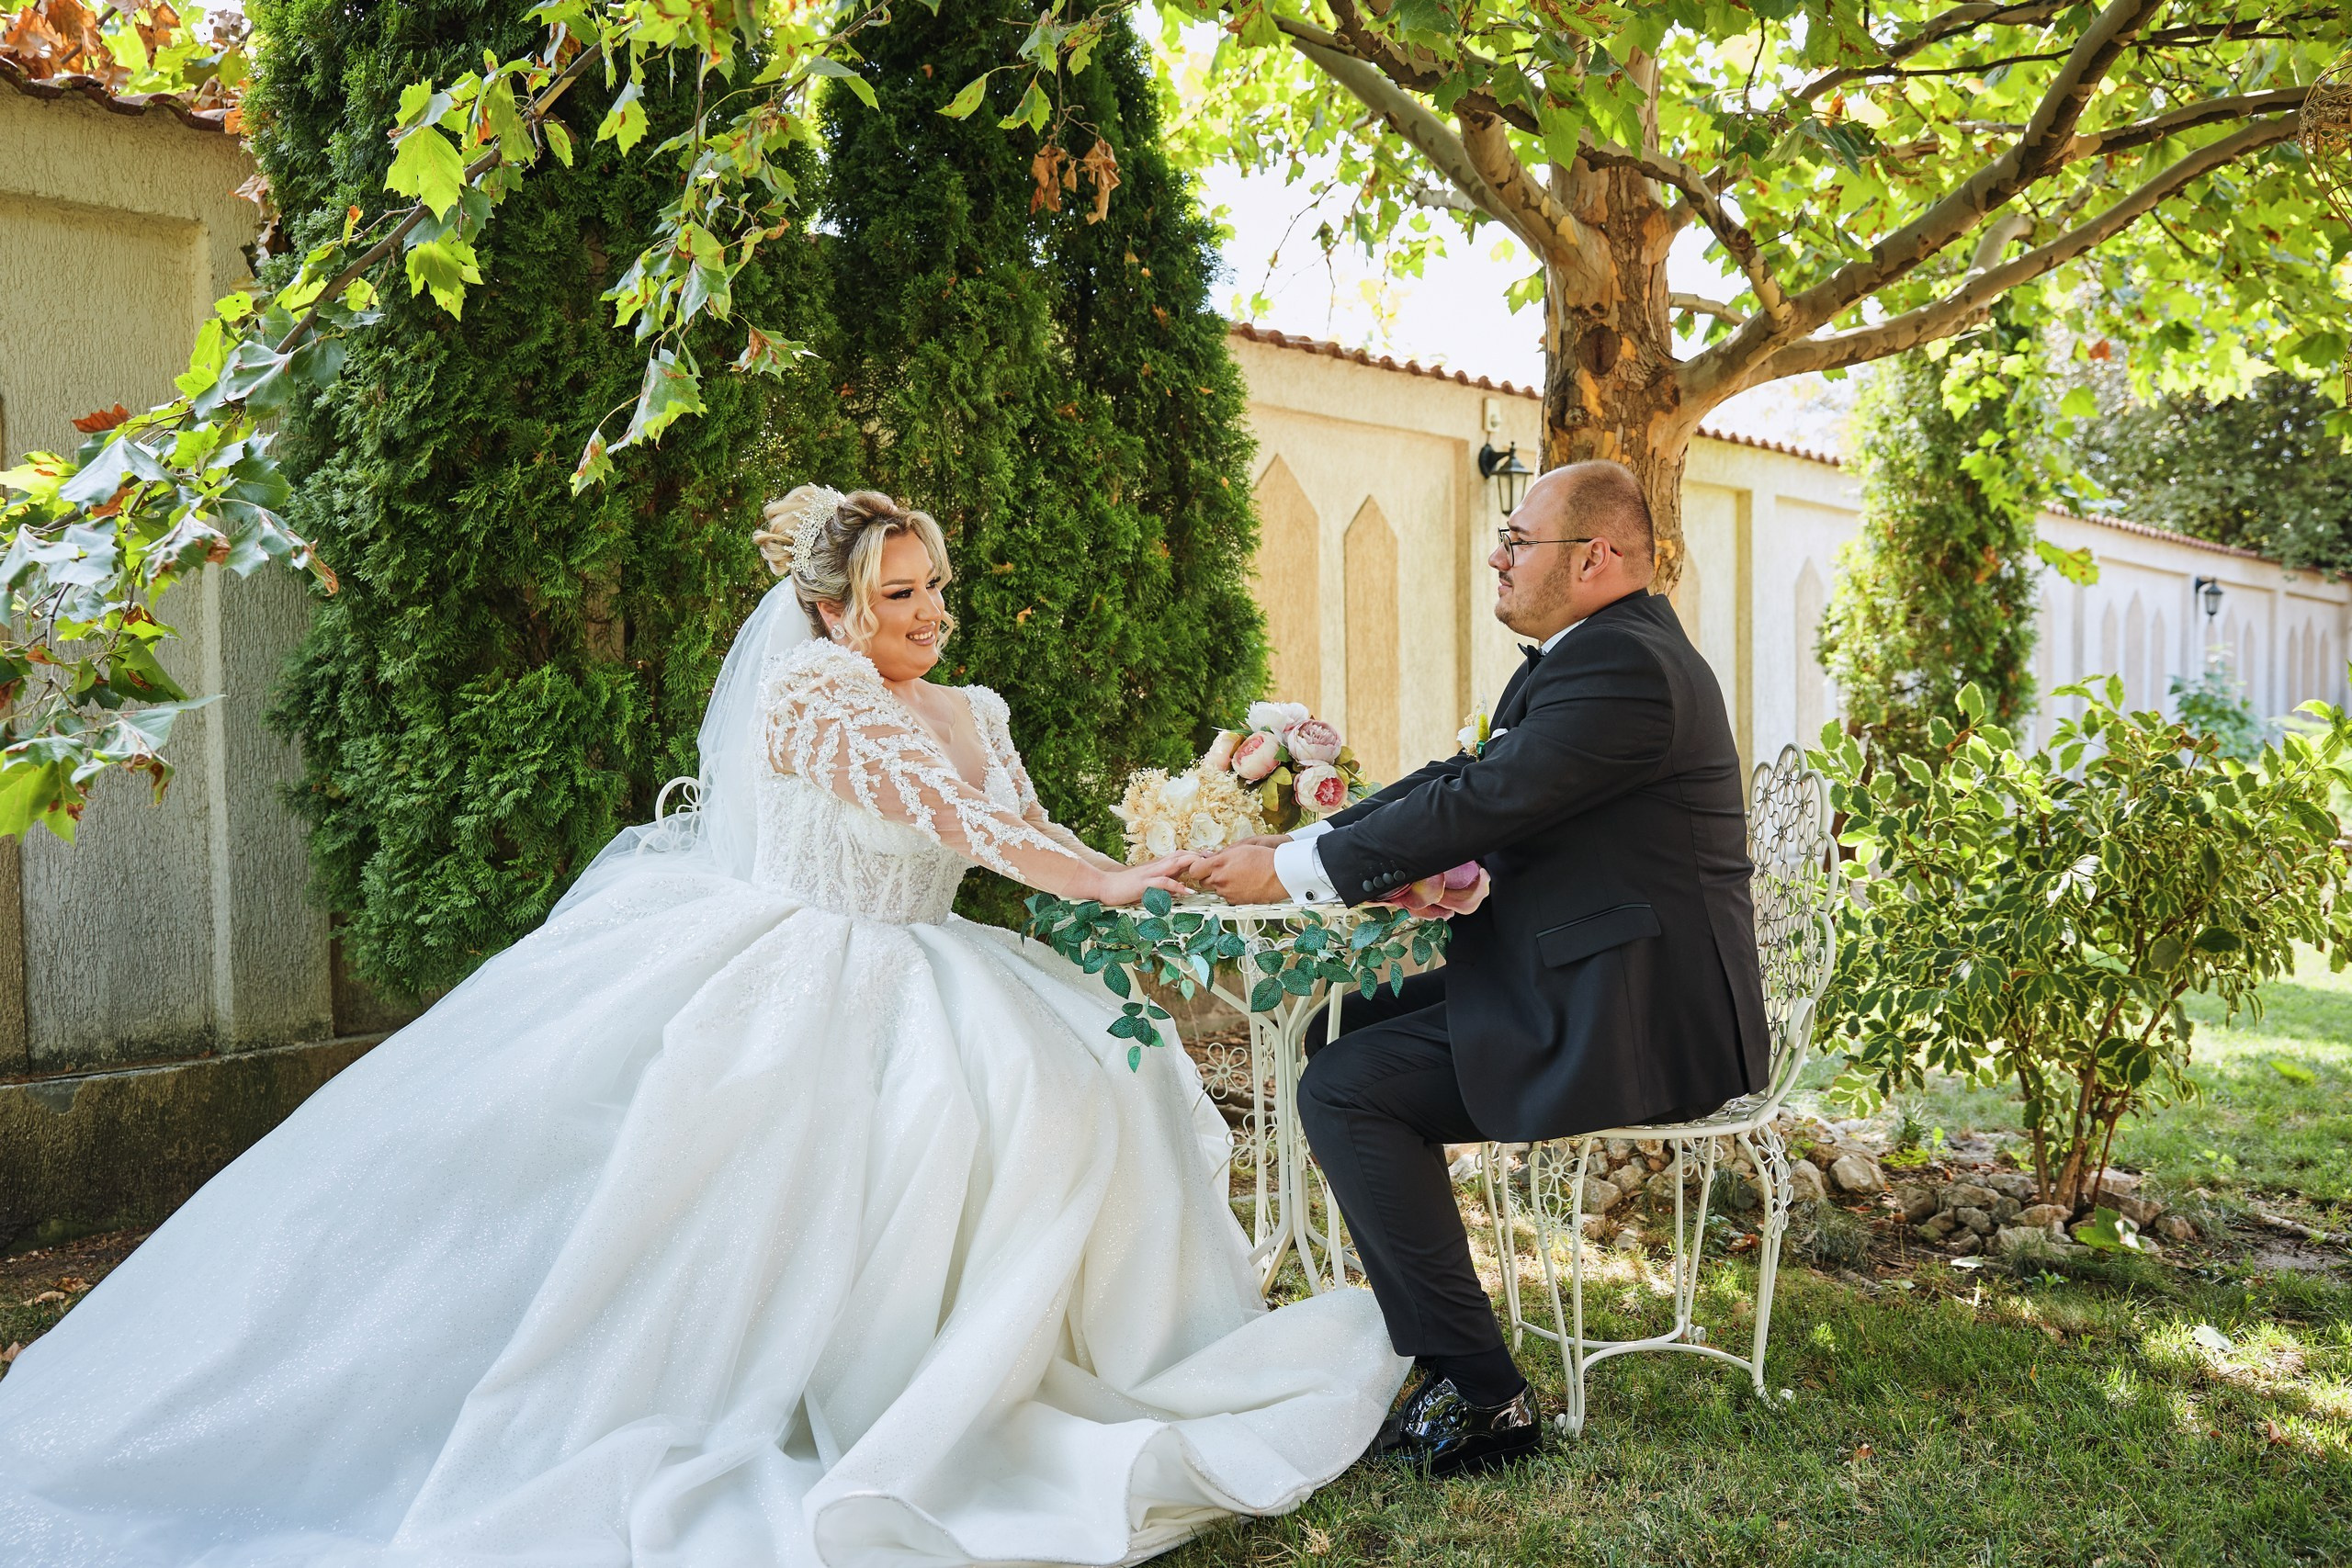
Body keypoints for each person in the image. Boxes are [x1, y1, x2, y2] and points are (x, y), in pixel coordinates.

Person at [0, 487, 1407, 1567]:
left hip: (936, 958)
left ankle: (1044, 1366)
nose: (930, 612)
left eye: (936, 586)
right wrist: (1099, 877)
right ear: (834, 607)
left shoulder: (973, 699)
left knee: (1091, 1094)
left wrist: (1149, 861)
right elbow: (959, 827)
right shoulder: (813, 695)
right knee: (900, 1141)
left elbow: (1022, 819)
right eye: (899, 593)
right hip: (807, 967)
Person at [1193, 460, 1768, 1477]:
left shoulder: (1625, 666)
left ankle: (1483, 1393)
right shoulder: (1585, 653)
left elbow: (1483, 804)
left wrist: (1288, 872)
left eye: (1517, 540)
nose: (1496, 557)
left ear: (1594, 558)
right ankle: (1415, 1326)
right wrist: (1311, 841)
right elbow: (1461, 780)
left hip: (1635, 1008)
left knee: (1346, 1085)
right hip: (1581, 970)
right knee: (1342, 1020)